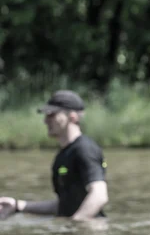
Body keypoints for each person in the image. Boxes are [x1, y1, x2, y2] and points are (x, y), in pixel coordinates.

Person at [0, 90, 108, 220]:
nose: (45, 120)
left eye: (52, 115)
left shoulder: (84, 149)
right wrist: (18, 206)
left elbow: (99, 195)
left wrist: (74, 227)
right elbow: (64, 205)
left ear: (72, 117)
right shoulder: (63, 155)